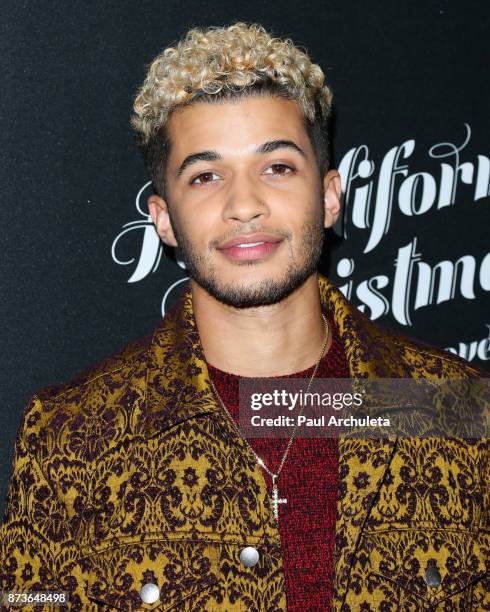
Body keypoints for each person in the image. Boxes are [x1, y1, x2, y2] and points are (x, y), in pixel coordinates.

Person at [1, 22, 488, 611]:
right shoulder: (70, 437)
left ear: (329, 196)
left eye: (277, 166)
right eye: (206, 176)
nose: (244, 205)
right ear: (163, 219)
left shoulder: (455, 407)